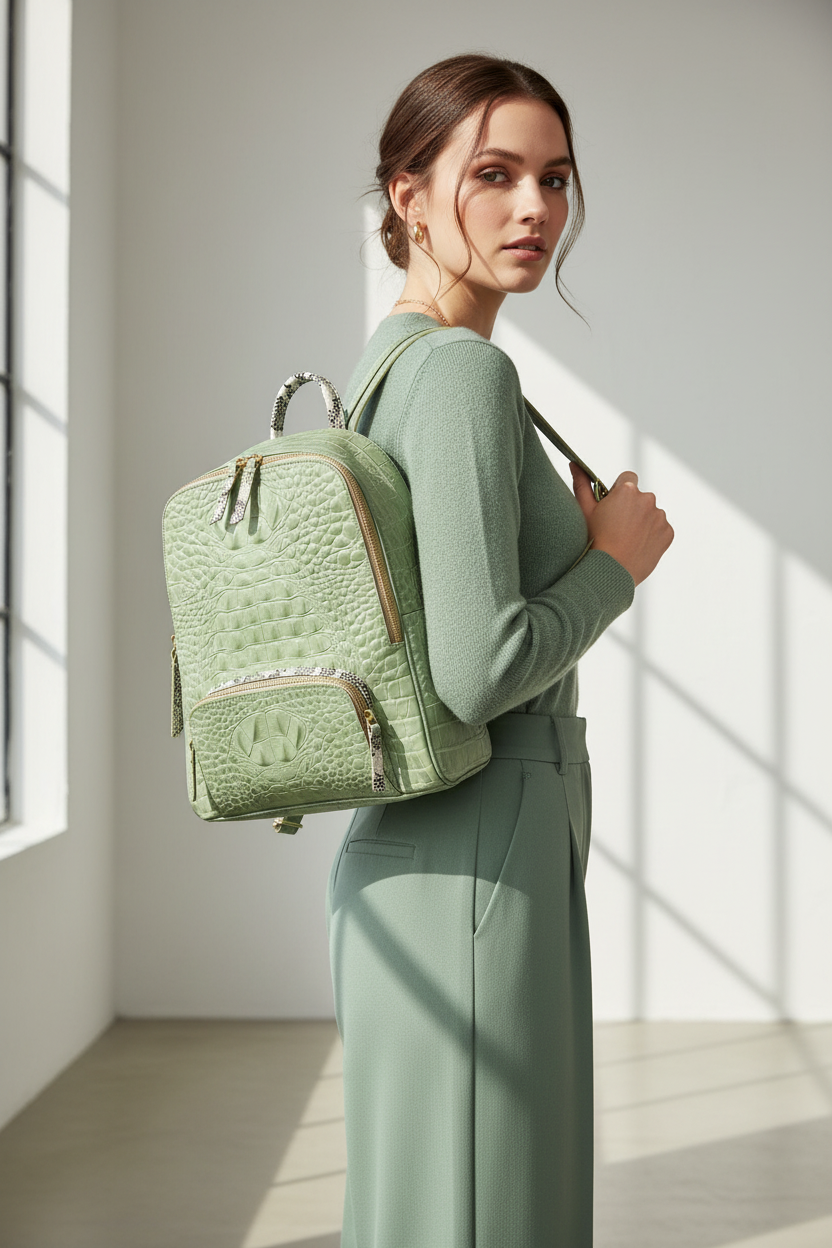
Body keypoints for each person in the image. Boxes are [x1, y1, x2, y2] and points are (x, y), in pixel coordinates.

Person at [326, 53, 673, 1248]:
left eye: (554, 178)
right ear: (410, 197)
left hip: (422, 854)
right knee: (494, 1215)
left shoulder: (384, 368)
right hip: (481, 849)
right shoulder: (465, 373)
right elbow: (477, 672)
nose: (535, 208)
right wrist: (614, 565)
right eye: (493, 174)